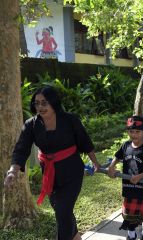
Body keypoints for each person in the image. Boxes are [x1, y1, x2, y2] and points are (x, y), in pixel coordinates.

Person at [4, 86, 100, 240]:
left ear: (53, 103)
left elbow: (85, 143)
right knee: (62, 212)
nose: (40, 107)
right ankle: (76, 237)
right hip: (50, 176)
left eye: (44, 103)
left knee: (63, 211)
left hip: (72, 173)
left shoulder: (70, 120)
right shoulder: (31, 125)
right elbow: (21, 148)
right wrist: (12, 171)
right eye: (37, 103)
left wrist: (96, 163)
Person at [108, 116, 143, 240]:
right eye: (131, 131)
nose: (134, 134)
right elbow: (117, 156)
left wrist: (140, 176)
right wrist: (111, 167)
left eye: (137, 131)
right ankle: (131, 235)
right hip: (128, 188)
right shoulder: (125, 145)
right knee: (129, 215)